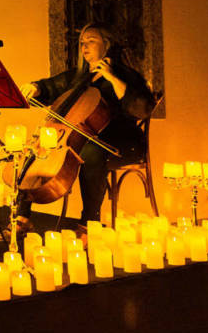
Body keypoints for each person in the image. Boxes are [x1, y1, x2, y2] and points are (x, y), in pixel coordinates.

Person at [8, 22, 153, 240]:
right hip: (88, 140)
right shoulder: (80, 77)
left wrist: (112, 77)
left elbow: (142, 107)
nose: (84, 47)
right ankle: (23, 217)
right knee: (36, 148)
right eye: (82, 43)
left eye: (91, 41)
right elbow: (52, 86)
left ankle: (89, 222)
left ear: (107, 44)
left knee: (91, 153)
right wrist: (36, 87)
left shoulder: (127, 75)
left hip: (122, 142)